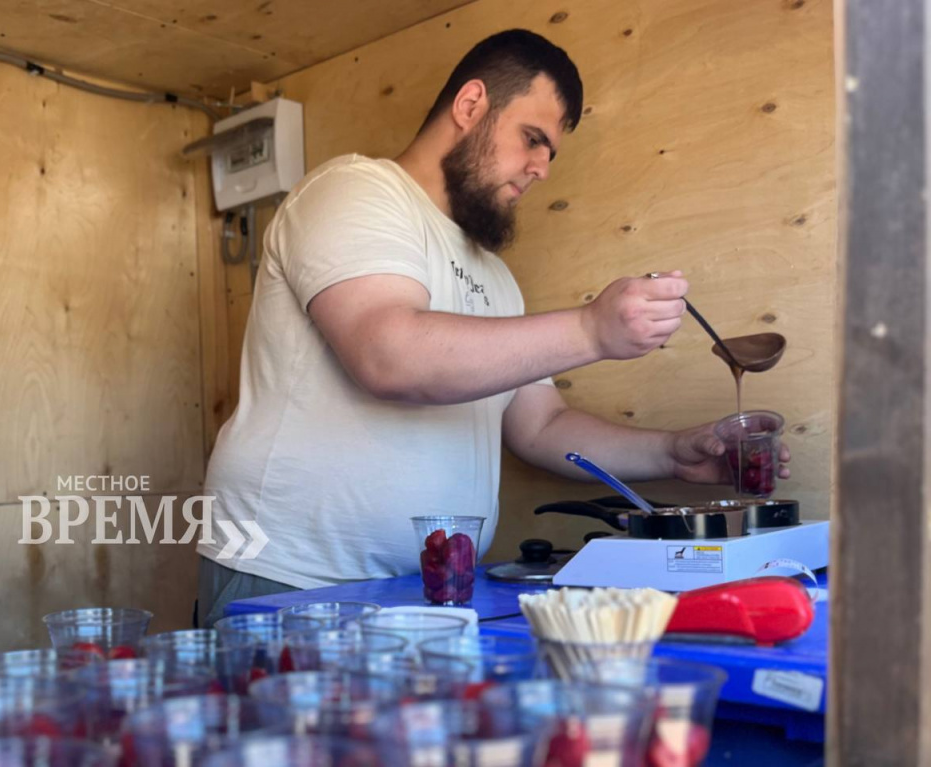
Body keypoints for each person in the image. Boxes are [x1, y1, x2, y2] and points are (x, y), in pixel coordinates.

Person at [195, 29, 790, 626]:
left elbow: (541, 425)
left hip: (430, 590)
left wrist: (673, 454)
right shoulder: (355, 192)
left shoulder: (496, 278)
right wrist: (590, 332)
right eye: (533, 139)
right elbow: (389, 354)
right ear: (471, 105)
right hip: (291, 579)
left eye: (551, 153)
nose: (541, 169)